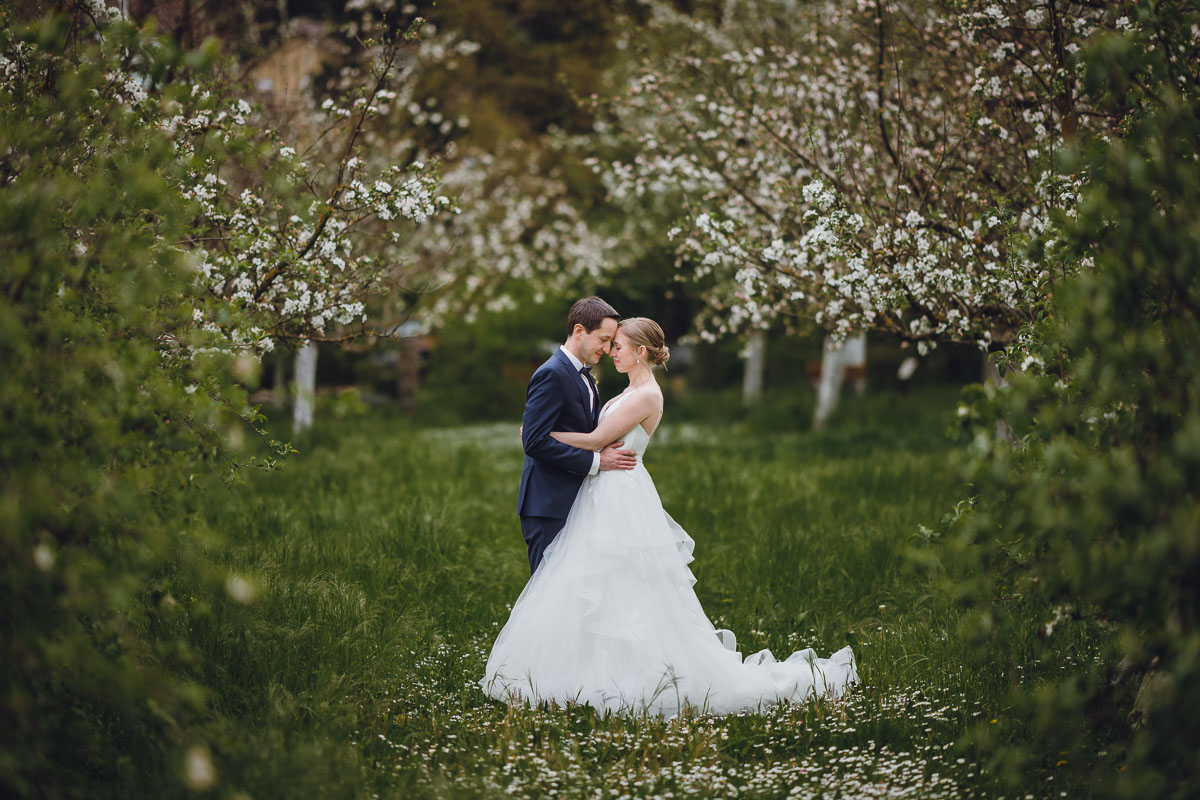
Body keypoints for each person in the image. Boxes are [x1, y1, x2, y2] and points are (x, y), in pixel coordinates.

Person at [483, 317, 858, 717]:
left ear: (640, 352)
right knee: (596, 583)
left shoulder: (647, 396)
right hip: (600, 492)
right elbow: (596, 439)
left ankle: (634, 674)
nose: (612, 352)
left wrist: (536, 435)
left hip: (620, 494)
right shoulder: (625, 390)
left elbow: (595, 440)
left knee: (624, 583)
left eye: (619, 346)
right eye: (609, 344)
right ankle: (585, 670)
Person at [517, 297, 638, 575]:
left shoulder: (582, 374)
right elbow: (534, 442)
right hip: (549, 504)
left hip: (576, 501)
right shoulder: (552, 373)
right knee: (547, 593)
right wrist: (597, 461)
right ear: (580, 331)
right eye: (604, 339)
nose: (607, 349)